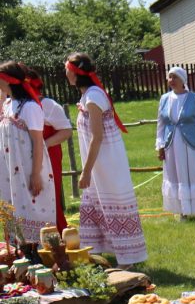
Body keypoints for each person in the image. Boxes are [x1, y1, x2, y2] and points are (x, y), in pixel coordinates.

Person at [64, 52, 147, 267]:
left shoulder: (94, 97)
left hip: (107, 162)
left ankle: (128, 259)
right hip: (97, 162)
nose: (65, 74)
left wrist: (86, 171)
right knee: (96, 204)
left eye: (67, 70)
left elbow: (97, 137)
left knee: (113, 203)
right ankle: (100, 255)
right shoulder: (86, 96)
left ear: (74, 73)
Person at [0, 61, 57, 243]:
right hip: (11, 171)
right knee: (13, 210)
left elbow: (38, 142)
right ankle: (19, 256)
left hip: (29, 168)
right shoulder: (8, 104)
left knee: (34, 209)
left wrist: (35, 174)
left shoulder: (30, 107)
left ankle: (41, 256)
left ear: (7, 81)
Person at [156, 66, 195, 219]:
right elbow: (161, 124)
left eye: (175, 77)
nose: (171, 80)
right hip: (172, 145)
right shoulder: (164, 99)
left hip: (191, 144)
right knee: (176, 175)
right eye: (169, 77)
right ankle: (183, 211)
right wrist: (160, 145)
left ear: (183, 80)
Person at [27, 69, 73, 232]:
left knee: (47, 197)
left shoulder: (48, 105)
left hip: (48, 157)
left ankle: (56, 237)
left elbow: (66, 131)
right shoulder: (18, 106)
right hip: (25, 159)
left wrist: (43, 144)